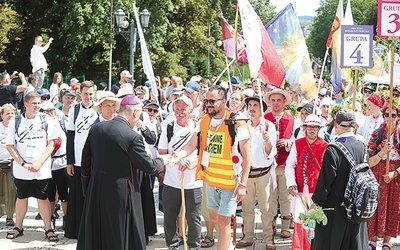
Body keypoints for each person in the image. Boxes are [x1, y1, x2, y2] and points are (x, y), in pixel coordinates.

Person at [77, 94, 171, 250]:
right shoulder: (132, 137)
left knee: (97, 233)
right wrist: (163, 160)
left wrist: (87, 188)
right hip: (121, 193)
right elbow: (149, 167)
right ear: (134, 113)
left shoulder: (96, 129)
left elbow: (85, 162)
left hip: (96, 188)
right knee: (119, 234)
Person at [174, 85, 251, 250]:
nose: (208, 104)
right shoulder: (203, 121)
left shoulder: (237, 121)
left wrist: (243, 184)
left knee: (223, 221)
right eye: (206, 101)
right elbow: (192, 144)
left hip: (230, 181)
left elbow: (247, 154)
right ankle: (227, 245)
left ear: (223, 101)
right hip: (210, 180)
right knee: (215, 218)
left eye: (212, 101)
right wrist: (178, 155)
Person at [311, 109, 369, 250]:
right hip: (356, 204)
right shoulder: (361, 146)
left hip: (335, 206)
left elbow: (326, 181)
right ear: (354, 125)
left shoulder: (333, 149)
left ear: (336, 125)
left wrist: (316, 202)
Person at [5, 92, 58, 241]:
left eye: (39, 103)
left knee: (43, 198)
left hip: (41, 169)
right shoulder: (15, 121)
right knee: (22, 197)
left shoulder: (46, 119)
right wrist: (23, 163)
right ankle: (18, 227)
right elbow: (10, 146)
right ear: (26, 104)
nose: (37, 106)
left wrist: (39, 163)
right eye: (34, 103)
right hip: (22, 170)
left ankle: (48, 228)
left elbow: (52, 143)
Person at [158, 95, 202, 250]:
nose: (180, 112)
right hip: (171, 182)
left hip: (194, 182)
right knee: (170, 217)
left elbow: (203, 153)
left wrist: (191, 162)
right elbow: (161, 153)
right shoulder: (168, 128)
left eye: (183, 109)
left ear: (190, 110)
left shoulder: (198, 128)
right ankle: (172, 245)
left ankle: (194, 246)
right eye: (177, 109)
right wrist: (176, 160)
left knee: (193, 217)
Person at [235, 96, 277, 250]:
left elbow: (270, 152)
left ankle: (268, 239)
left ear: (261, 109)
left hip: (263, 173)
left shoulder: (268, 126)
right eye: (250, 105)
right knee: (247, 208)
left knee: (266, 208)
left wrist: (267, 140)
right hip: (247, 174)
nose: (252, 108)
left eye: (255, 105)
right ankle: (248, 236)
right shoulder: (243, 125)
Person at [285, 114, 328, 250]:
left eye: (315, 127)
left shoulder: (325, 146)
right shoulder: (297, 144)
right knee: (299, 221)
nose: (312, 130)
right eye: (309, 127)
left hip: (316, 192)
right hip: (299, 191)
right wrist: (291, 184)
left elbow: (326, 172)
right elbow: (290, 165)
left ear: (319, 129)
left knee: (314, 224)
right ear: (305, 128)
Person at [65, 80, 97, 239]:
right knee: (77, 196)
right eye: (85, 94)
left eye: (91, 94)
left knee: (94, 196)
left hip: (95, 162)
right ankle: (76, 230)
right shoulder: (75, 110)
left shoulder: (99, 109)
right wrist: (69, 161)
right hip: (77, 161)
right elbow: (70, 136)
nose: (88, 97)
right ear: (80, 94)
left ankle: (94, 229)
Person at [366, 104, 400, 250]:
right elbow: (369, 162)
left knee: (393, 208)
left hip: (395, 176)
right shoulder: (377, 134)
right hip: (378, 175)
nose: (390, 118)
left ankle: (387, 242)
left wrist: (395, 173)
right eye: (387, 115)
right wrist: (382, 152)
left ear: (398, 117)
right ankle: (372, 241)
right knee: (376, 206)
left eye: (393, 115)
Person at [264, 88, 294, 238]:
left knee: (285, 196)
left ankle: (286, 226)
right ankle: (271, 225)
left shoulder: (291, 119)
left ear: (284, 102)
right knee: (270, 197)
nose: (275, 103)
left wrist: (288, 142)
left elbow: (297, 140)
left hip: (284, 163)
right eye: (273, 100)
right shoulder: (265, 118)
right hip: (269, 163)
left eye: (278, 100)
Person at [0, 104, 17, 226]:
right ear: (2, 115)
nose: (10, 116)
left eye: (12, 113)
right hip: (0, 162)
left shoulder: (17, 127)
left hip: (12, 163)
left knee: (11, 191)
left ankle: (10, 216)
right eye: (7, 113)